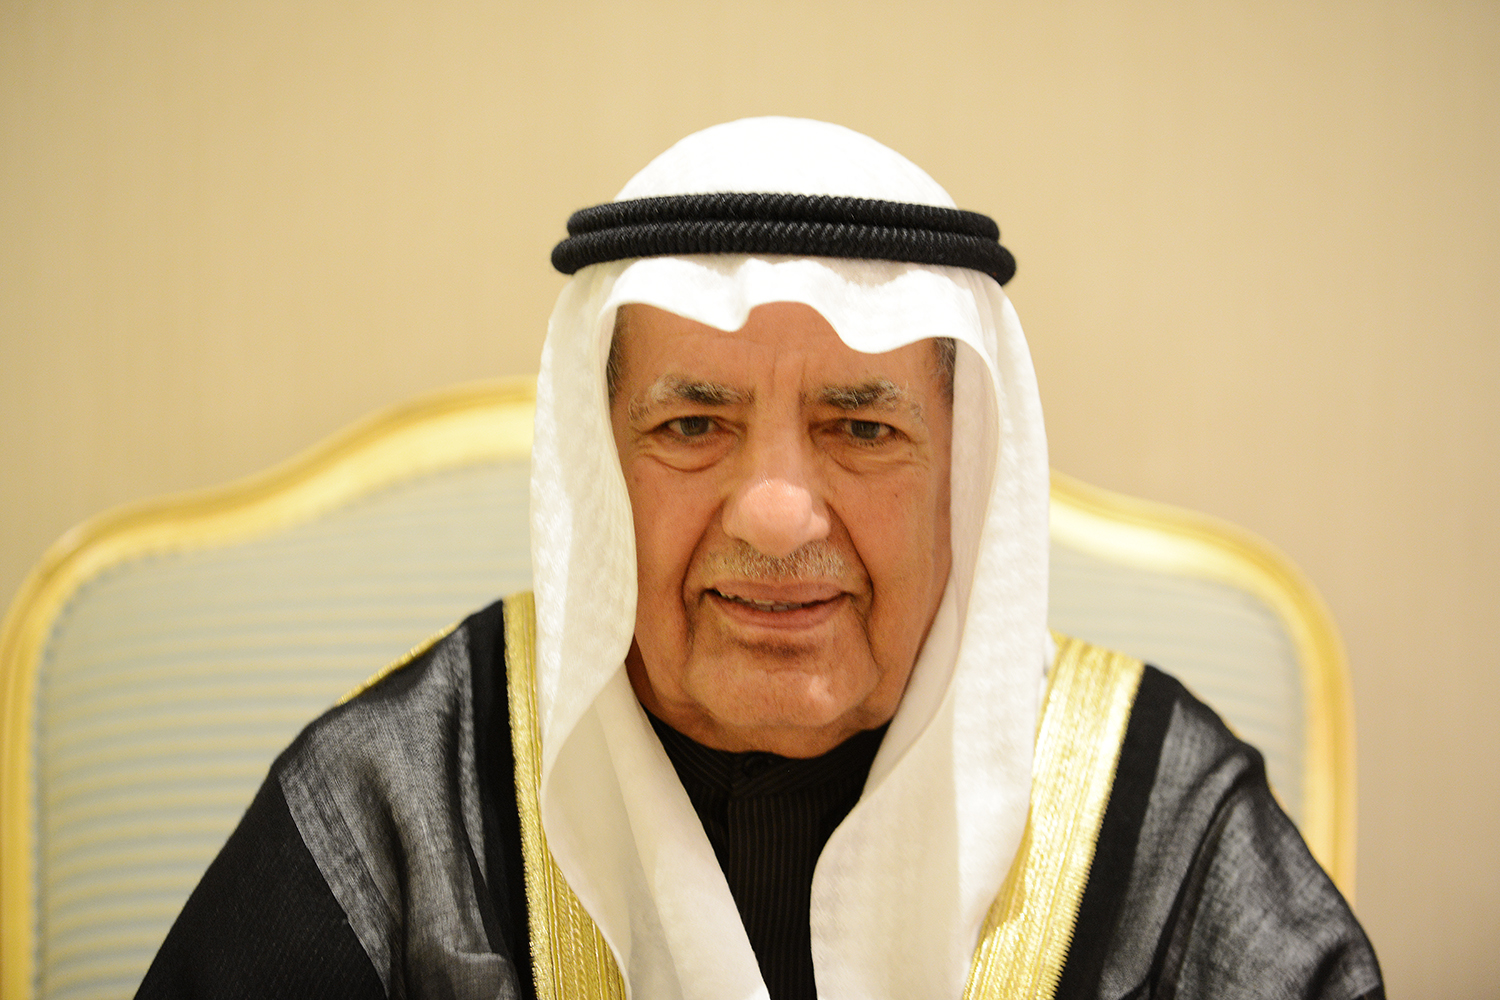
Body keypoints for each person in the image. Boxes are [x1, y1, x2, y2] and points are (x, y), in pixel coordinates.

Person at [137, 118, 1383, 1000]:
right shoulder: (404, 805)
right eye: (692, 425)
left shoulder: (1151, 816)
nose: (780, 517)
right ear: (600, 470)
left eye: (863, 428)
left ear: (962, 477)